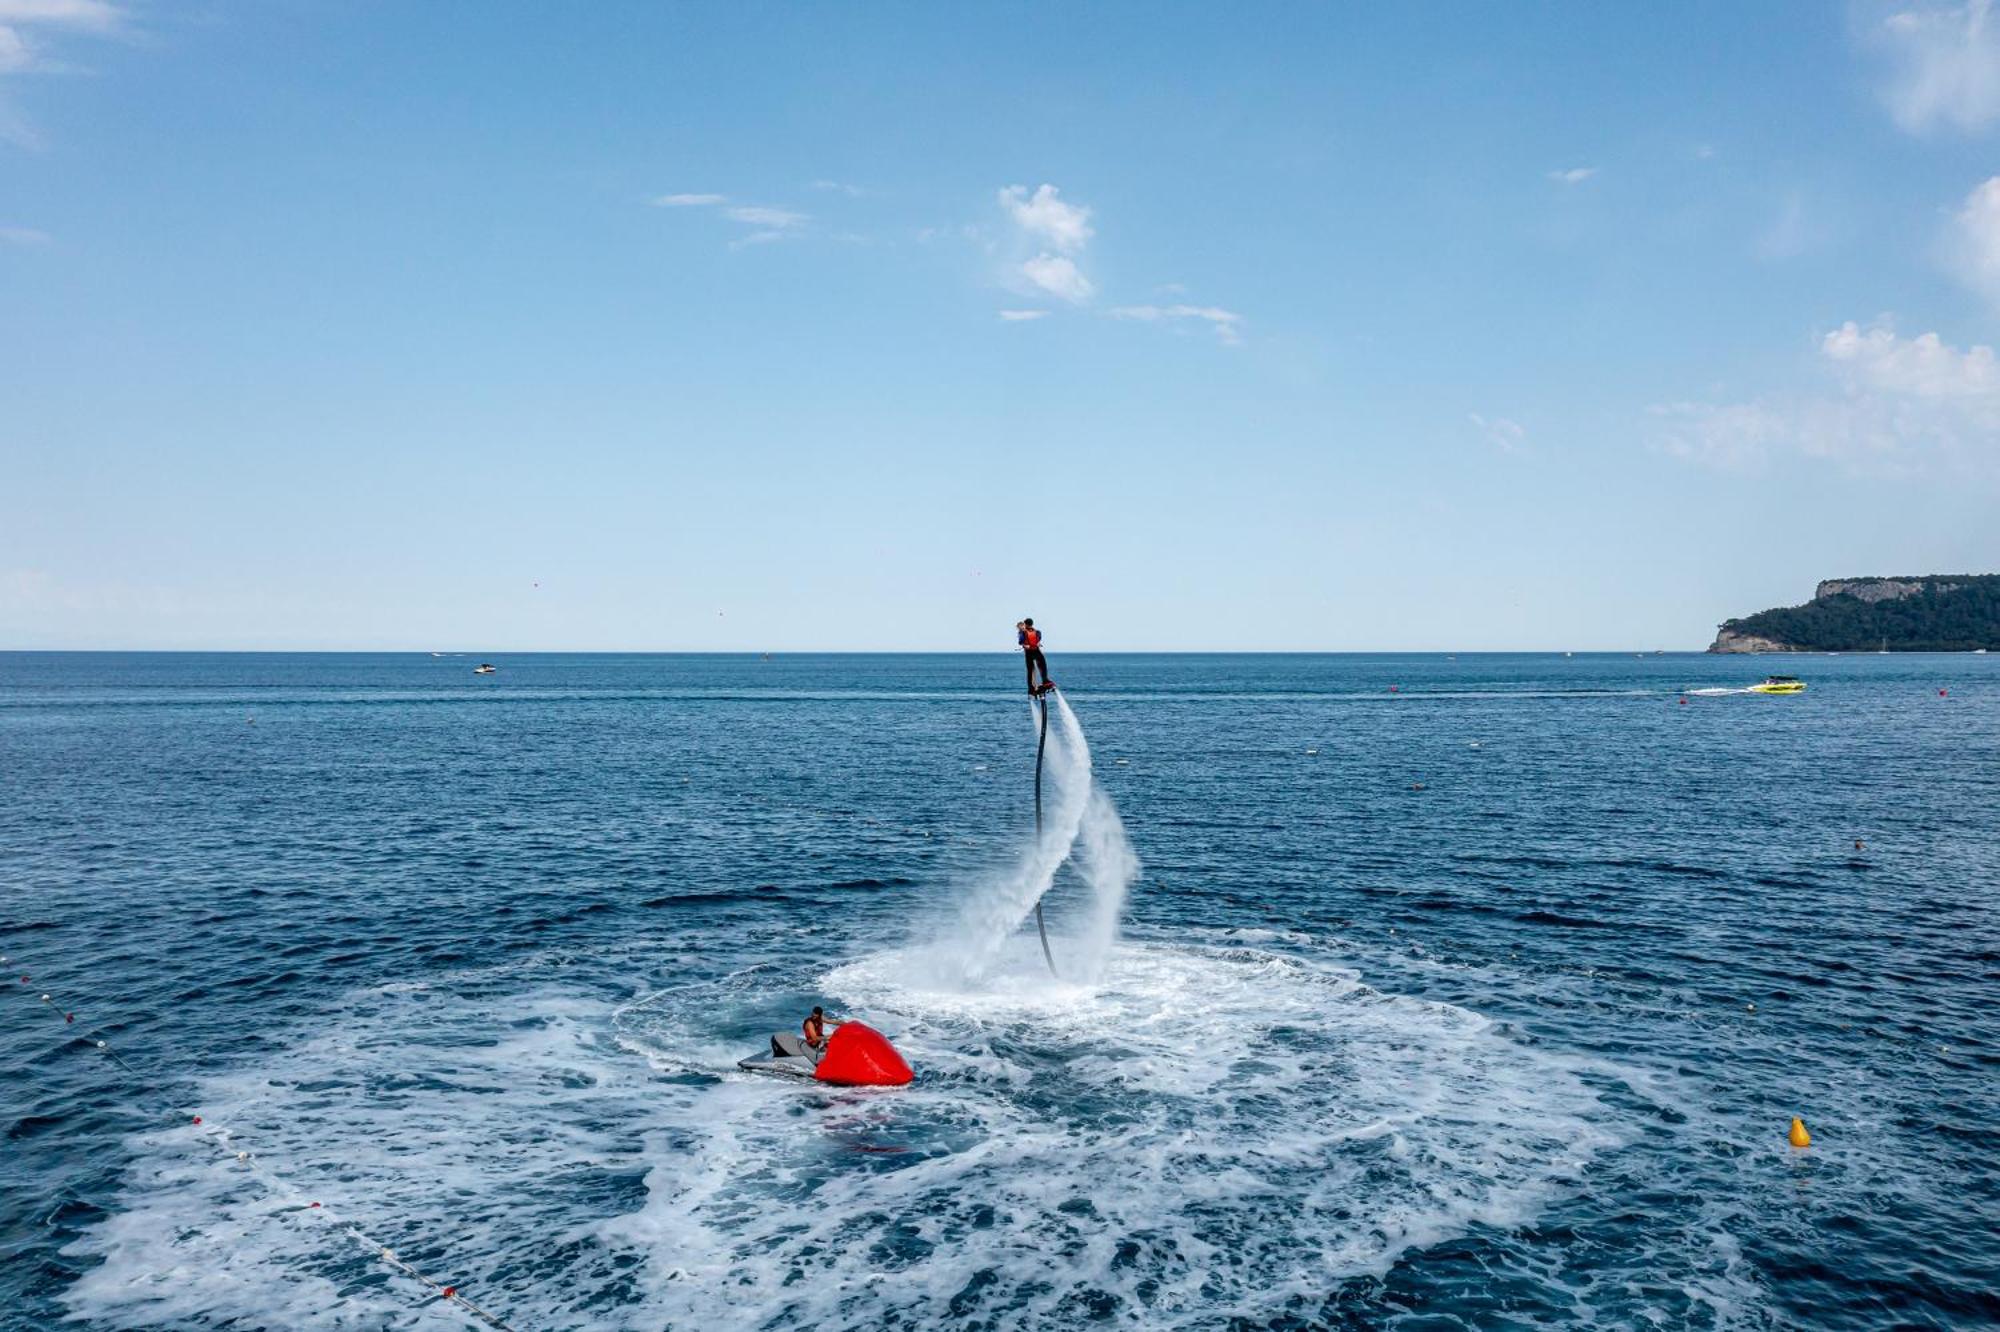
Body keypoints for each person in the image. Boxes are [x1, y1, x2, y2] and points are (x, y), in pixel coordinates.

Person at [1017, 617, 1053, 695]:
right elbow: (1038, 639)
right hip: (1037, 651)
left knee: (1031, 671)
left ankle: (1032, 688)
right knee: (1042, 666)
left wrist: (1023, 643)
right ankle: (1045, 681)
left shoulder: (1023, 632)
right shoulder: (1037, 632)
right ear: (1032, 624)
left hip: (1029, 652)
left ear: (1025, 624)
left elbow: (1020, 642)